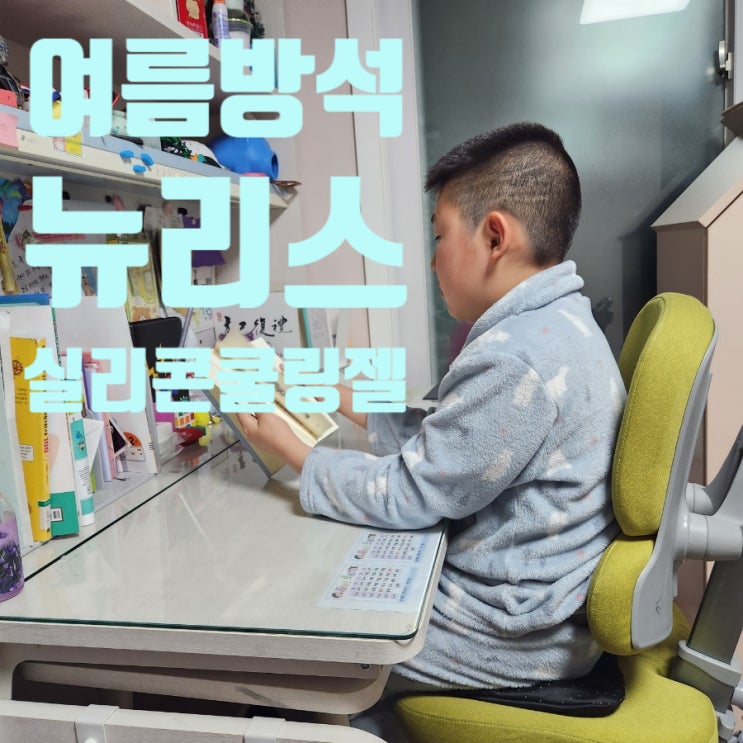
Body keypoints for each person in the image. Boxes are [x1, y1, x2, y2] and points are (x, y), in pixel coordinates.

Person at [237, 121, 625, 719]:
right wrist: (322, 389)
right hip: (535, 602)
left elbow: (410, 492)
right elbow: (454, 435)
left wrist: (293, 450)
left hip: (511, 633)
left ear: (494, 236)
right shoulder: (555, 324)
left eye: (440, 235)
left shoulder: (517, 357)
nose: (433, 259)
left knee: (298, 628)